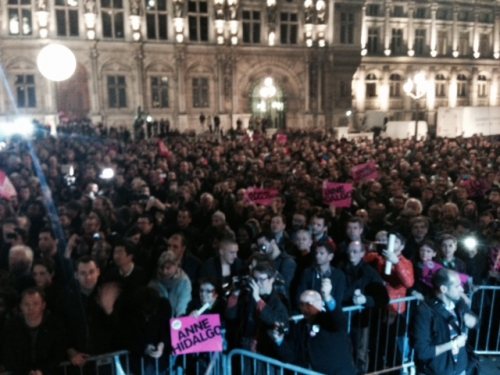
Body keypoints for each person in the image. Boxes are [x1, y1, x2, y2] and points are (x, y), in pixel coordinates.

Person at [410, 268, 479, 375]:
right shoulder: (424, 312)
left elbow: (476, 322)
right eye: (457, 286)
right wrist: (454, 344)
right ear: (443, 289)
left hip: (460, 368)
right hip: (437, 371)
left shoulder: (458, 303)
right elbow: (422, 352)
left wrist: (473, 320)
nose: (461, 289)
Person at [273, 290, 356, 375]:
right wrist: (279, 340)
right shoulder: (299, 327)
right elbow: (290, 356)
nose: (305, 308)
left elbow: (340, 320)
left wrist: (328, 298)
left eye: (309, 303)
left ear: (320, 303)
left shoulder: (330, 321)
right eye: (302, 304)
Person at [2, 287, 68, 375]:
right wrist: (27, 372)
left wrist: (43, 370)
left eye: (35, 304)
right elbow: (7, 355)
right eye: (27, 304)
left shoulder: (54, 325)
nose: (31, 308)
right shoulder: (11, 326)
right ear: (21, 306)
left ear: (43, 305)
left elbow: (58, 354)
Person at [296, 241, 345, 312]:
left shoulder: (339, 275)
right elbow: (300, 295)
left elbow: (338, 299)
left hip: (330, 315)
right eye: (316, 253)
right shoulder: (308, 273)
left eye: (321, 253)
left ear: (330, 256)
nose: (317, 256)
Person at [149, 250, 192, 317]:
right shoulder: (153, 282)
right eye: (162, 268)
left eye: (168, 268)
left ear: (176, 265)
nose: (164, 272)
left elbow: (183, 304)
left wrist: (179, 320)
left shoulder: (184, 282)